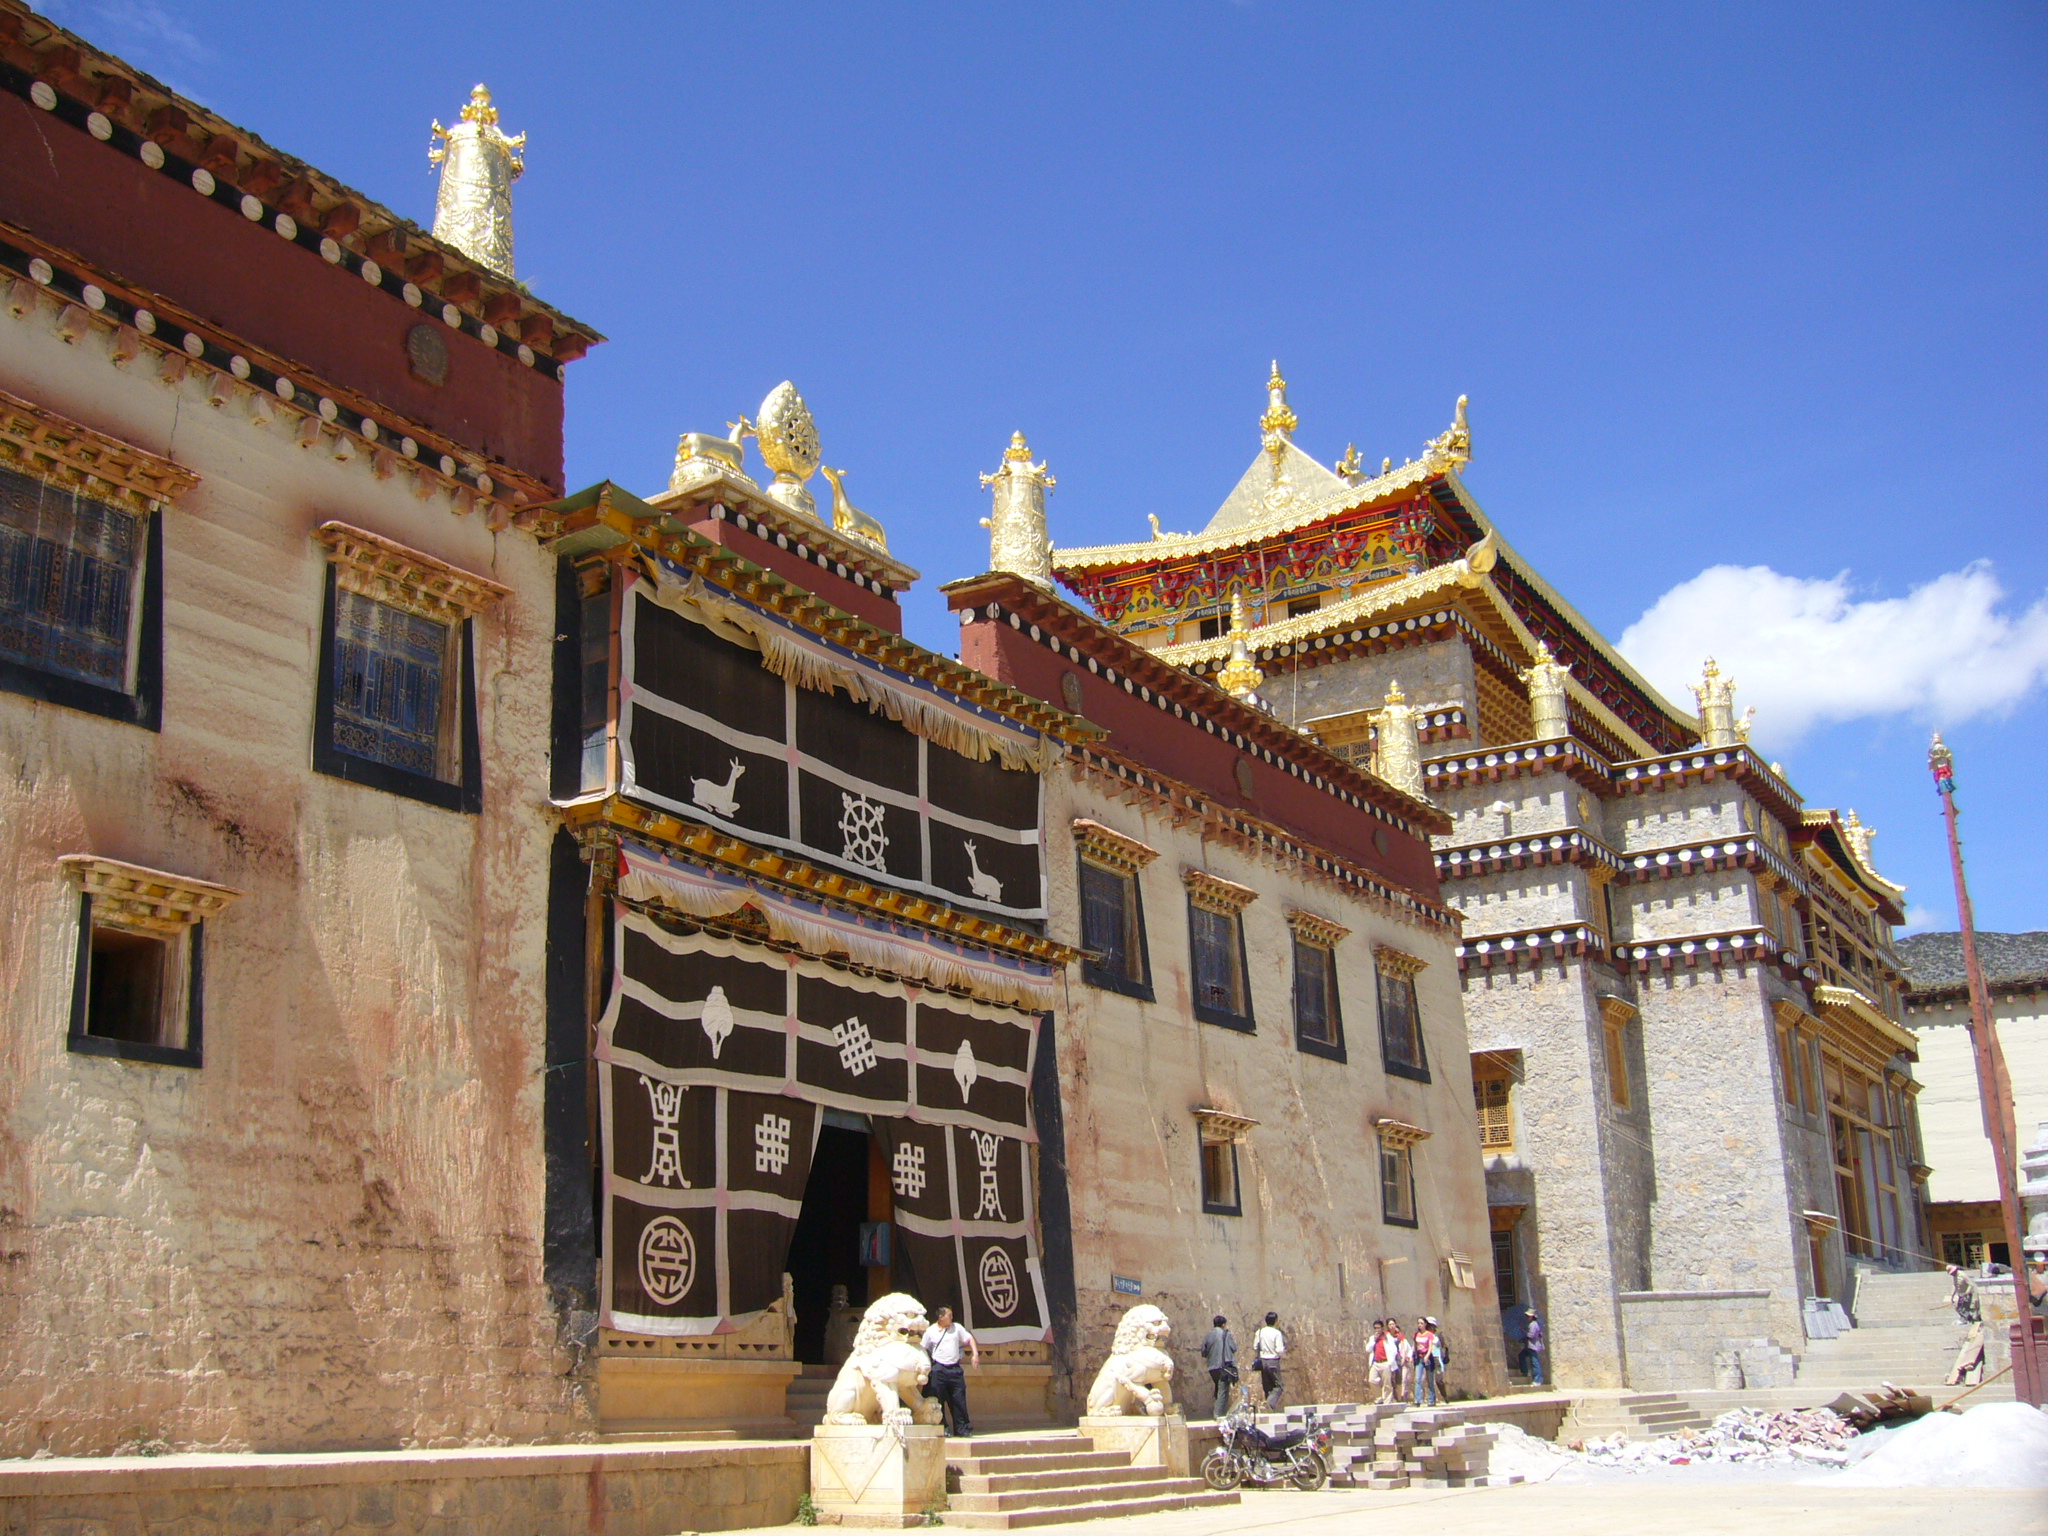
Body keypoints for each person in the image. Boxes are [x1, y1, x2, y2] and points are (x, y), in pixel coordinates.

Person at [921, 1305, 979, 1437]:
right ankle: (943, 1428)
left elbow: (969, 1339)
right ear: (941, 1317)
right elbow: (923, 1348)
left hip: (954, 1369)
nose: (952, 1318)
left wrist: (975, 1354)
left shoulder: (957, 1328)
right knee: (938, 1400)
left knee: (959, 1400)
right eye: (949, 1315)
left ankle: (962, 1428)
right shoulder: (930, 1331)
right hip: (939, 1369)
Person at [1200, 1315, 1239, 1420]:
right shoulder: (1226, 1334)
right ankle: (1218, 1415)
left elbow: (1204, 1352)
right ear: (1223, 1324)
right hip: (1223, 1366)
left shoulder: (1208, 1335)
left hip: (1212, 1367)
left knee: (1218, 1388)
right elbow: (1234, 1348)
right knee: (1223, 1392)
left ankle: (1218, 1411)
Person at [1251, 1311, 1287, 1410]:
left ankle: (1269, 1409)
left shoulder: (1260, 1332)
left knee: (1267, 1387)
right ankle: (1268, 1404)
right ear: (1275, 1321)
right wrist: (1284, 1354)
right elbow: (1279, 1349)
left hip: (1262, 1361)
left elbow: (1255, 1346)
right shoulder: (1277, 1333)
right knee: (1279, 1386)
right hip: (1273, 1361)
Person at [1412, 1318, 1441, 1407]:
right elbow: (1415, 1346)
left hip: (1428, 1357)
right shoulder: (1416, 1334)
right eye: (1418, 1323)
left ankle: (1431, 1399)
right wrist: (1412, 1356)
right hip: (1419, 1357)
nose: (1419, 1325)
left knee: (1430, 1379)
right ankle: (1417, 1400)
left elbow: (1430, 1347)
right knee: (1418, 1379)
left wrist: (1427, 1356)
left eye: (1421, 1323)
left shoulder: (1429, 1335)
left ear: (1425, 1324)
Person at [1369, 1319, 1398, 1404]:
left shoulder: (1388, 1337)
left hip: (1385, 1362)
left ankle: (1387, 1401)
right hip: (1376, 1363)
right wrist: (1374, 1340)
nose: (1377, 1330)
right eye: (1375, 1328)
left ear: (1382, 1328)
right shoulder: (1372, 1338)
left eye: (1378, 1328)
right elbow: (1368, 1349)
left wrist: (1390, 1362)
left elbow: (1394, 1350)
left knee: (1387, 1384)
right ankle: (1379, 1398)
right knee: (1372, 1380)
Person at [1519, 1308, 1545, 1387]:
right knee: (1521, 1356)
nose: (1527, 1317)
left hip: (1533, 1346)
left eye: (1528, 1316)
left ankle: (1537, 1380)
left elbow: (1531, 1335)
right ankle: (1525, 1372)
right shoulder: (1531, 1324)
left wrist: (1525, 1335)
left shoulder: (1533, 1324)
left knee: (1535, 1362)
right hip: (1529, 1346)